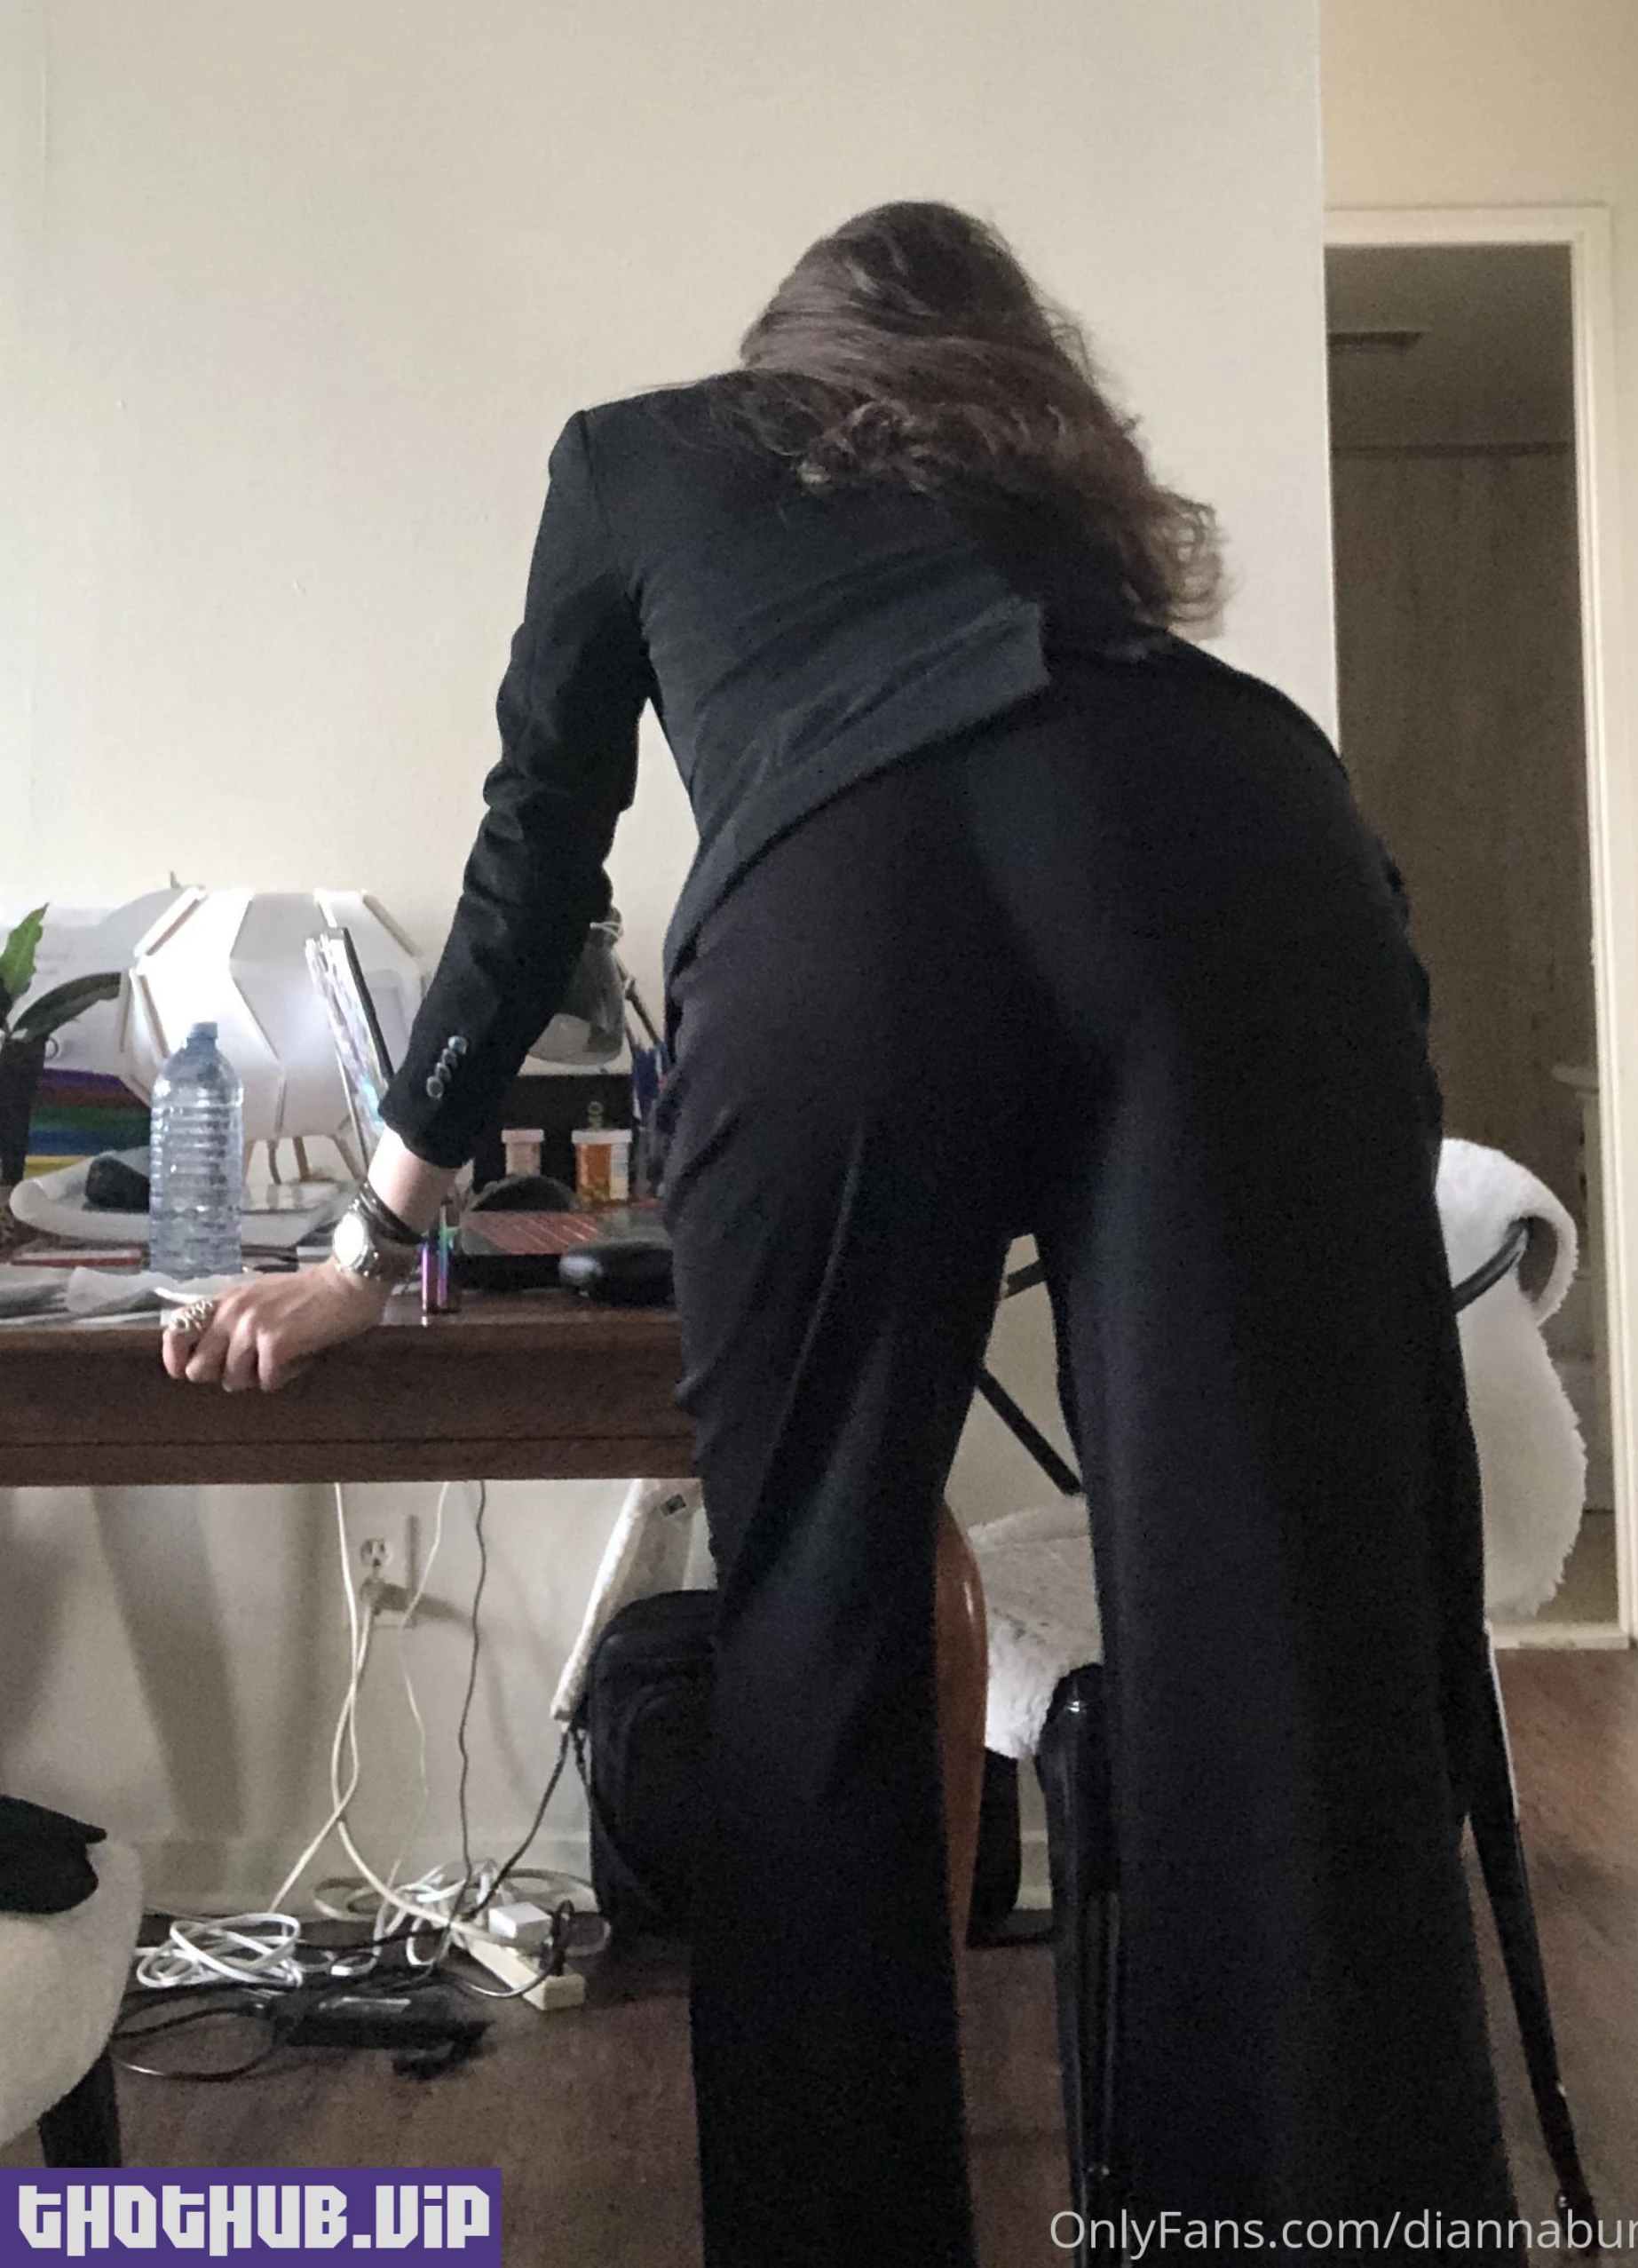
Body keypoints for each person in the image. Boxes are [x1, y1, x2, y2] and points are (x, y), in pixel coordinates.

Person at [163, 202, 1519, 2266]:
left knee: (819, 1616)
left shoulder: (639, 454)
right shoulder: (1051, 491)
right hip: (1244, 839)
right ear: (1018, 367)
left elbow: (535, 868)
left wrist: (368, 1249)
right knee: (1283, 1626)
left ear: (777, 357)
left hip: (842, 896)